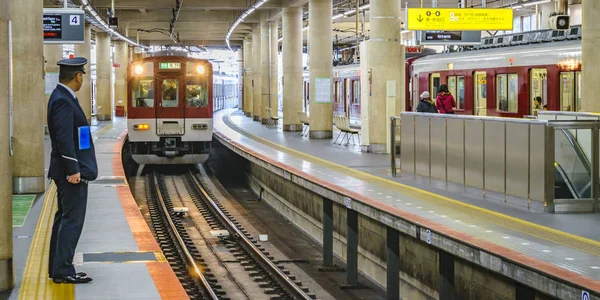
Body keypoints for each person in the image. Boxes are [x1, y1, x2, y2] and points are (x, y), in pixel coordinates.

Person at [47, 57, 97, 284]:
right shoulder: (63, 101)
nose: (82, 79)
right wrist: (74, 169)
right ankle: (64, 270)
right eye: (82, 75)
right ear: (78, 76)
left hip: (68, 170)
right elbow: (64, 138)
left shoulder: (63, 97)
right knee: (72, 221)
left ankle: (57, 268)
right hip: (70, 174)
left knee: (64, 218)